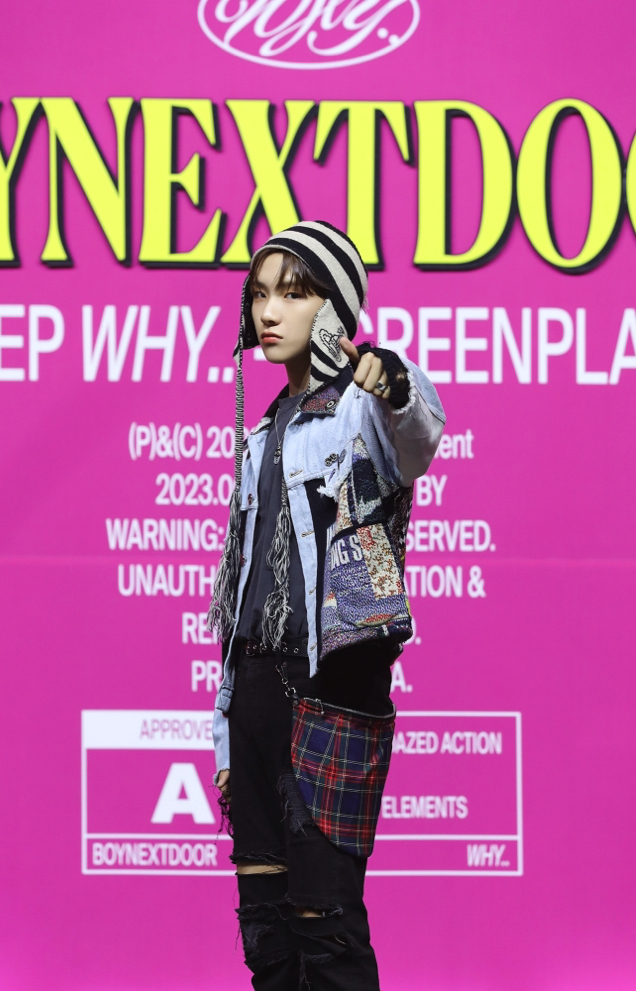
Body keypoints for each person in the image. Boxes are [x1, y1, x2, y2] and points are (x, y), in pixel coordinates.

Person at [208, 221, 445, 990]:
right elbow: (242, 594)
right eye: (260, 294)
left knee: (326, 924)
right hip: (255, 693)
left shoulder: (359, 413)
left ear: (335, 308)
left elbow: (419, 433)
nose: (269, 311)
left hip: (333, 689)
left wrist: (394, 380)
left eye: (293, 293)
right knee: (266, 932)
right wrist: (224, 731)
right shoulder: (256, 437)